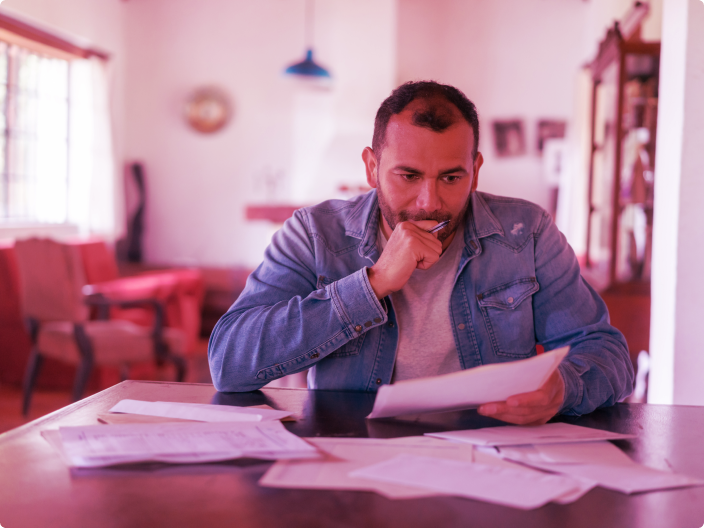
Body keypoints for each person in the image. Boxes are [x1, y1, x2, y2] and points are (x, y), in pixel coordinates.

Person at [209, 81, 633, 425]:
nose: (429, 201)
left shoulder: (527, 232)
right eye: (408, 175)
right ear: (371, 167)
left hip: (489, 459)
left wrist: (564, 388)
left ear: (476, 169)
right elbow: (229, 363)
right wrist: (372, 285)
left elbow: (606, 352)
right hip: (355, 457)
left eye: (451, 177)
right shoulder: (314, 234)